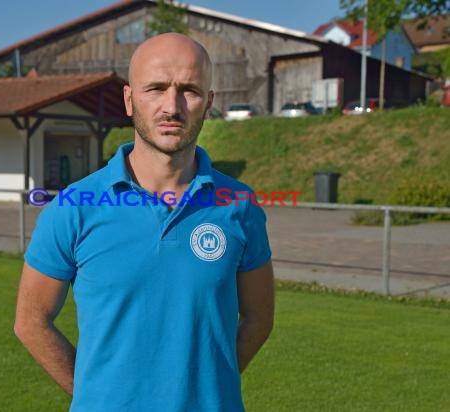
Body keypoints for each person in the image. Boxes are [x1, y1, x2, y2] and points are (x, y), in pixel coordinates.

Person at [15, 32, 274, 411]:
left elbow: (259, 318)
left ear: (209, 102)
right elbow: (31, 322)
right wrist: (95, 394)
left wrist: (209, 389)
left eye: (189, 90)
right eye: (155, 88)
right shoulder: (74, 207)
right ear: (129, 99)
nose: (172, 106)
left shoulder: (239, 205)